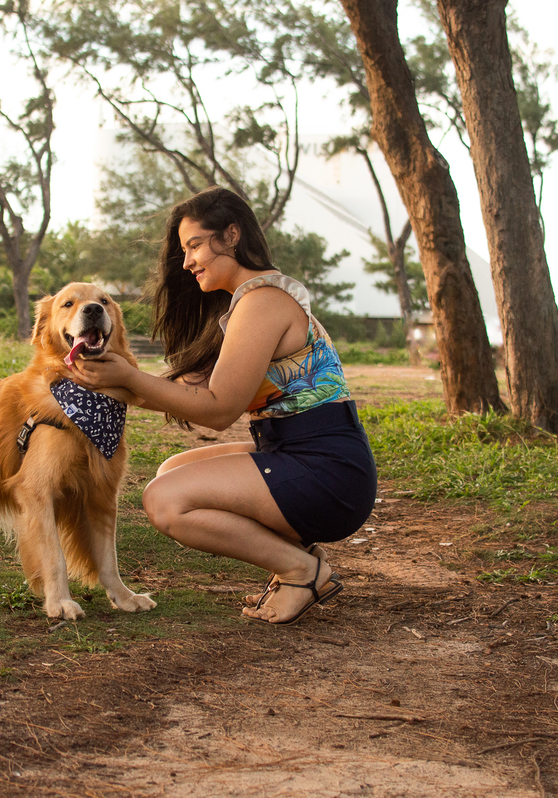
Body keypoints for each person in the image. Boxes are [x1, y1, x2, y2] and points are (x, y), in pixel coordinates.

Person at [72, 186, 377, 625]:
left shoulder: (263, 302)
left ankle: (300, 571)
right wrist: (103, 378)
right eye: (184, 249)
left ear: (231, 235)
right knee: (172, 471)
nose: (187, 261)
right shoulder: (245, 306)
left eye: (194, 245)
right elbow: (183, 389)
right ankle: (297, 554)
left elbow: (217, 411)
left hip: (328, 470)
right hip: (294, 452)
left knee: (165, 501)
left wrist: (128, 378)